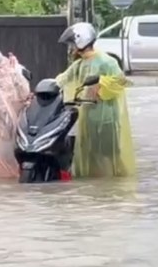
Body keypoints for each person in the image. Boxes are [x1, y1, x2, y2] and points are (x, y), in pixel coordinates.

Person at [55, 22, 136, 178]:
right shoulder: (80, 63)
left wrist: (101, 80)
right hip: (88, 116)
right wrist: (46, 88)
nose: (71, 47)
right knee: (90, 153)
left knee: (108, 154)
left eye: (72, 43)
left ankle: (112, 184)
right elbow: (64, 78)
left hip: (106, 117)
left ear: (82, 41)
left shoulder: (106, 61)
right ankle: (96, 187)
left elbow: (122, 82)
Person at [0, 48, 31, 178]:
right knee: (18, 155)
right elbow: (26, 93)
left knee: (1, 159)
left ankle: (5, 189)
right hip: (21, 122)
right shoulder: (14, 74)